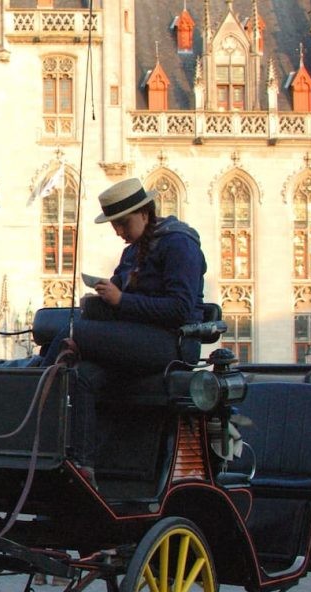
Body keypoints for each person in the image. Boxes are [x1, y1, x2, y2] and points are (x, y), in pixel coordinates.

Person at [50, 177, 207, 488]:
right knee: (81, 375)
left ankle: (30, 382)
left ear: (144, 214)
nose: (119, 233)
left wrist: (121, 300)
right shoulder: (132, 252)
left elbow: (179, 309)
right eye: (115, 227)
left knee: (74, 332)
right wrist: (102, 300)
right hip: (135, 340)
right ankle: (83, 465)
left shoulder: (179, 245)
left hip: (171, 344)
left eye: (122, 224)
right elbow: (121, 300)